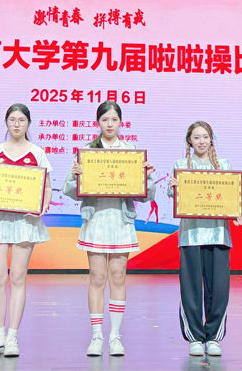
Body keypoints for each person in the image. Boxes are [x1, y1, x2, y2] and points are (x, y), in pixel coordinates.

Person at [62, 101, 157, 357]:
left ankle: (115, 336)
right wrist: (75, 176)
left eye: (114, 120)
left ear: (121, 122)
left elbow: (147, 195)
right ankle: (97, 336)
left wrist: (146, 176)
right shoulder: (87, 152)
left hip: (121, 220)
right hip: (95, 219)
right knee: (97, 278)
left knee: (118, 276)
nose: (110, 124)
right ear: (98, 123)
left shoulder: (131, 152)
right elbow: (70, 190)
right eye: (105, 120)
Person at [0, 104, 53, 358]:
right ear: (6, 122)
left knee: (18, 278)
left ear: (28, 123)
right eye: (12, 119)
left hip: (25, 223)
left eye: (21, 120)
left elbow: (47, 188)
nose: (17, 124)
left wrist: (41, 208)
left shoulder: (37, 153)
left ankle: (12, 337)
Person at [168, 121, 242, 357]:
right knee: (191, 288)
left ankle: (213, 337)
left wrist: (237, 212)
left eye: (205, 137)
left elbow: (232, 197)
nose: (201, 141)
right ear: (189, 141)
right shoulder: (181, 166)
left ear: (211, 140)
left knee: (219, 289)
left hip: (218, 234)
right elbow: (174, 195)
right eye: (196, 137)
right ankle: (194, 337)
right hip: (190, 236)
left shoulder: (224, 165)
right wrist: (174, 187)